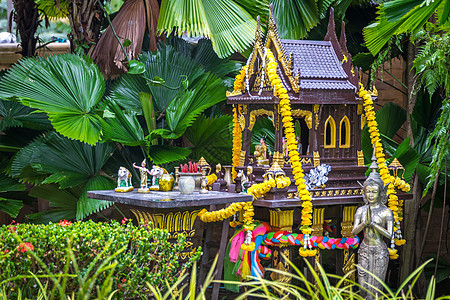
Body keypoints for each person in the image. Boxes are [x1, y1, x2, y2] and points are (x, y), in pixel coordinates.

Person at [352, 154, 393, 299]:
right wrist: (364, 223)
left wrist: (374, 225)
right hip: (364, 250)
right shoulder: (361, 210)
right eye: (368, 191)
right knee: (363, 288)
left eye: (374, 192)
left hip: (380, 251)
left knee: (376, 289)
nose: (370, 194)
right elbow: (353, 231)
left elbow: (389, 235)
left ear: (381, 193)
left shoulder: (386, 211)